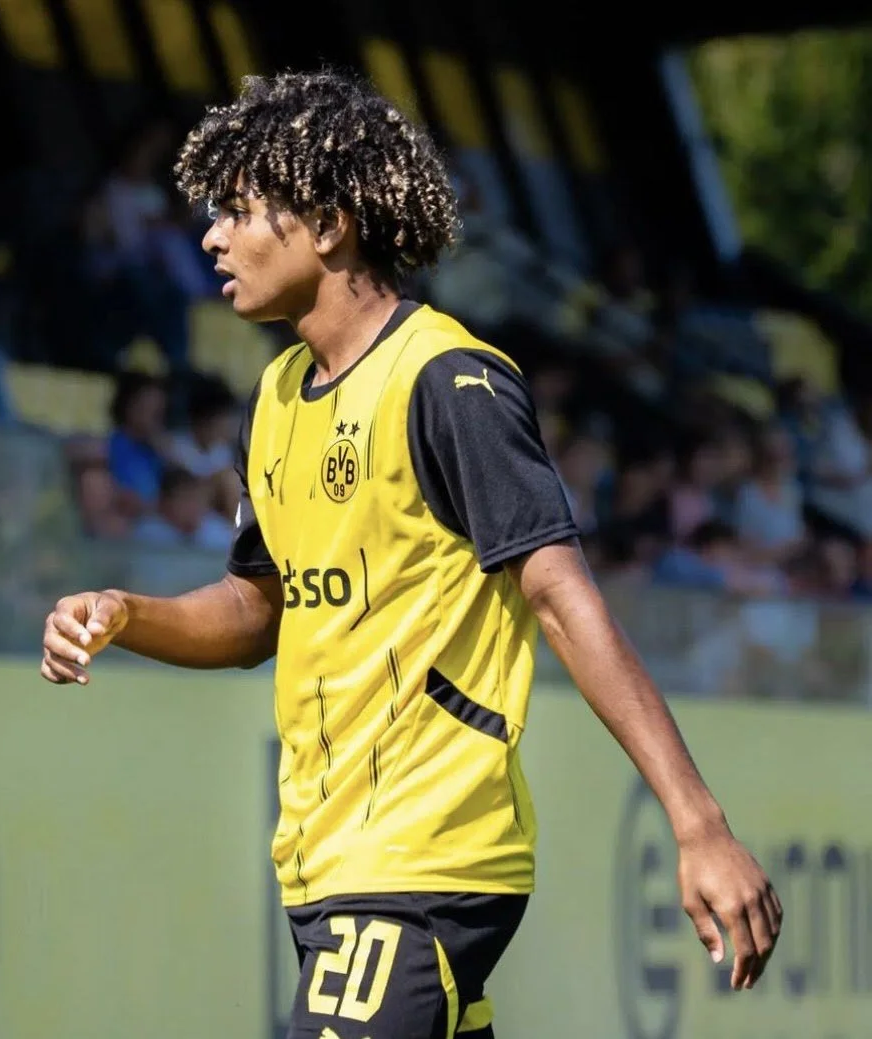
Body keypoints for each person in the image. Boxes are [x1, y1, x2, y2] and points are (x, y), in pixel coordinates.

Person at [41, 70, 782, 1039]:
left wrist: (697, 822)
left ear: (331, 223)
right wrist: (127, 612)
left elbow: (560, 597)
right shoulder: (273, 401)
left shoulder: (449, 381)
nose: (213, 238)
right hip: (326, 863)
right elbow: (257, 608)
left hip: (423, 860)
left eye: (240, 210)